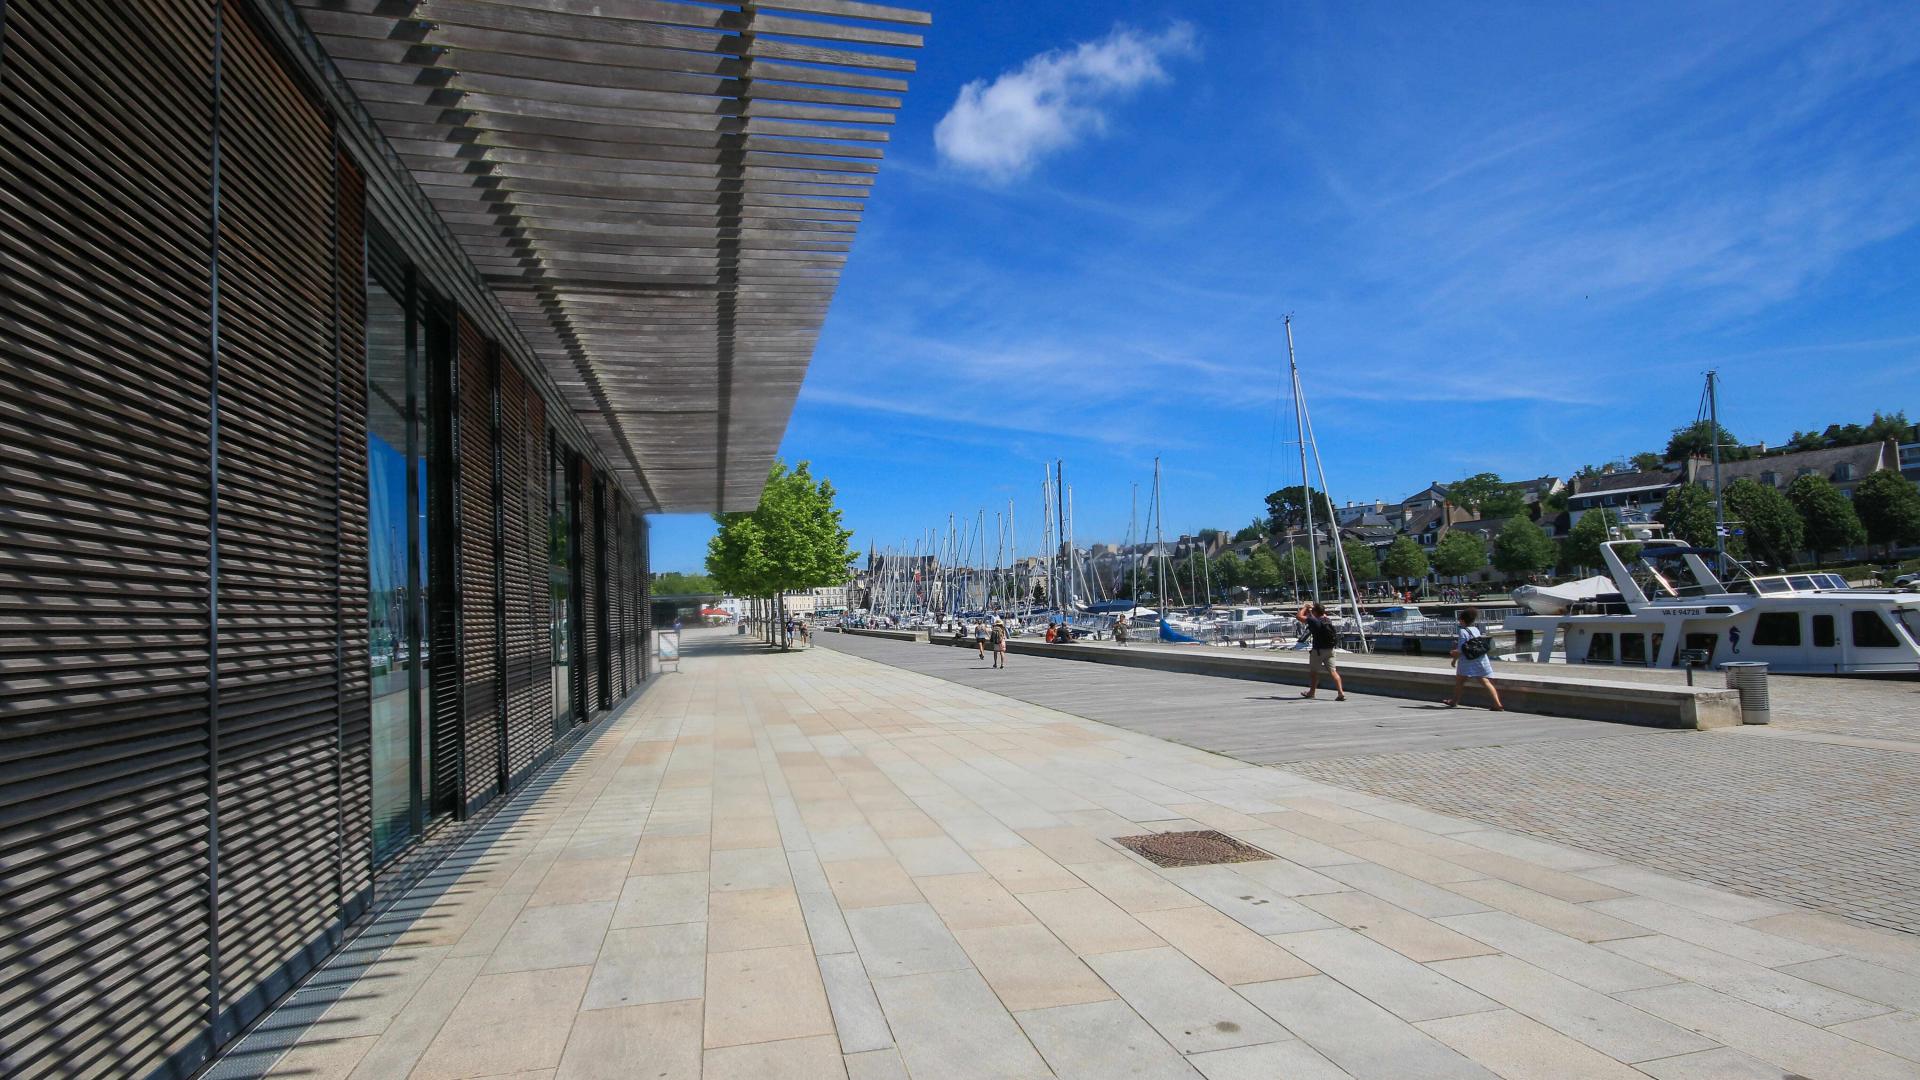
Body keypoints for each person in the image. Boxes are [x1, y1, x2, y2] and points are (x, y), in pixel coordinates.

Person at [1443, 607, 1503, 710]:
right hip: (1480, 658)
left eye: (1459, 620)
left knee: (1460, 682)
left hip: (1468, 660)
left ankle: (1454, 702)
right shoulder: (1476, 629)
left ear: (1462, 620)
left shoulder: (1462, 631)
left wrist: (1453, 655)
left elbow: (1461, 649)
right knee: (1485, 681)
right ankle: (1497, 704)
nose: (1459, 622)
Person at [1296, 602, 1347, 701]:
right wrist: (1313, 610)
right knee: (1333, 671)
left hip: (1318, 651)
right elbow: (1319, 614)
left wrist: (1305, 607)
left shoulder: (1312, 621)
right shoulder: (1327, 620)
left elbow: (1299, 617)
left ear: (1315, 612)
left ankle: (1312, 693)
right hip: (1330, 650)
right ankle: (1341, 692)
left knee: (1314, 673)